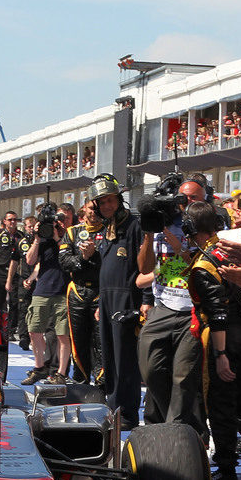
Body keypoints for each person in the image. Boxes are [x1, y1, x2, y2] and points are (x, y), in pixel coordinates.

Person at [186, 201, 241, 480]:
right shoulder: (231, 249)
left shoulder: (205, 262)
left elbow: (217, 312)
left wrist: (220, 354)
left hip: (221, 337)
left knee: (220, 403)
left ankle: (227, 466)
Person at [136, 182, 202, 433]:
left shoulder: (196, 224)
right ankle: (173, 424)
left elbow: (203, 264)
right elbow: (143, 268)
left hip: (191, 308)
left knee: (183, 376)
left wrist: (179, 246)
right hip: (162, 306)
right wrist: (148, 233)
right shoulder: (154, 228)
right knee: (151, 369)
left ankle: (176, 431)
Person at [92, 174, 146, 430]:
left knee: (126, 359)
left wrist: (145, 300)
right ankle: (113, 409)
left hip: (127, 299)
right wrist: (99, 302)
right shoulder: (106, 228)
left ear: (119, 200)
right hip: (106, 299)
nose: (106, 206)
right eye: (102, 203)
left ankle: (127, 414)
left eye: (110, 200)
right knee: (110, 358)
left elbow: (145, 266)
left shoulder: (135, 226)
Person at [20, 203, 71, 386]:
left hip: (63, 291)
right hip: (42, 289)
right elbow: (30, 260)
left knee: (63, 335)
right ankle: (39, 367)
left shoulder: (67, 235)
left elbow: (68, 253)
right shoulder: (40, 238)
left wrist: (57, 235)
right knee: (34, 330)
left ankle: (61, 373)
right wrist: (37, 238)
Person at [59, 204, 103, 385]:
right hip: (77, 290)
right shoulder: (71, 233)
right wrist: (84, 257)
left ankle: (102, 382)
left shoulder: (109, 231)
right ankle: (80, 380)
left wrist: (94, 255)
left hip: (101, 291)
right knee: (78, 339)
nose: (93, 211)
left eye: (96, 207)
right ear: (84, 210)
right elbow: (64, 262)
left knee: (101, 340)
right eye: (90, 208)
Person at [0, 212, 22, 339]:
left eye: (15, 219)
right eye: (10, 219)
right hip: (0, 270)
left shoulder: (20, 236)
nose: (13, 222)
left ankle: (11, 330)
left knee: (15, 302)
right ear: (5, 221)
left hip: (16, 273)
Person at [14, 217, 37, 351]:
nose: (31, 229)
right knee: (23, 309)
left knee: (36, 311)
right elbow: (14, 261)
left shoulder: (42, 241)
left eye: (33, 226)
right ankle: (24, 337)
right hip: (24, 279)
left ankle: (34, 336)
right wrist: (10, 280)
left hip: (38, 280)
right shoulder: (21, 242)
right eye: (29, 226)